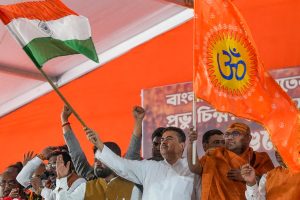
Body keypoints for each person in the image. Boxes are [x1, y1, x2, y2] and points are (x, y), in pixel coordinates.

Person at [86, 126, 200, 200]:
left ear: (182, 146)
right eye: (162, 140)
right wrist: (99, 144)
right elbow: (121, 165)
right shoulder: (149, 167)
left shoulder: (192, 168)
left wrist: (192, 146)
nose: (163, 142)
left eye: (169, 138)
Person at [60, 106, 137, 200]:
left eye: (102, 159)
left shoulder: (131, 186)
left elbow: (134, 149)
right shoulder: (88, 180)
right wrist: (64, 121)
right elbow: (76, 153)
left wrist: (139, 122)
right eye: (96, 159)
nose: (97, 163)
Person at [188, 122, 274, 200]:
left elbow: (272, 184)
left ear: (248, 138)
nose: (230, 138)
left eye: (235, 134)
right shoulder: (215, 154)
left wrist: (248, 179)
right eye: (227, 134)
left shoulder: (260, 158)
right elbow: (195, 167)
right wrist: (192, 143)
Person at [16, 148, 85, 200]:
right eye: (49, 165)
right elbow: (21, 178)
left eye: (55, 165)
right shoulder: (48, 184)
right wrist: (41, 157)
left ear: (68, 165)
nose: (50, 169)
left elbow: (59, 198)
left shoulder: (79, 182)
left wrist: (41, 190)